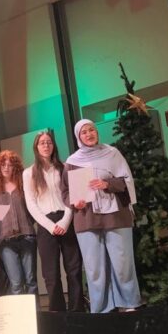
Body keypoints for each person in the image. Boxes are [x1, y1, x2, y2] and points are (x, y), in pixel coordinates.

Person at [63, 119, 142, 314]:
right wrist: (74, 202)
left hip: (116, 216)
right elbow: (65, 192)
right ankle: (102, 310)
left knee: (123, 263)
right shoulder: (72, 162)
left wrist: (108, 184)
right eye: (84, 132)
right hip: (87, 218)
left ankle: (129, 303)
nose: (89, 134)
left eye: (92, 130)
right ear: (78, 137)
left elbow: (127, 181)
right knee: (94, 268)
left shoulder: (112, 153)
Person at [23, 130, 84, 312]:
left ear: (53, 145)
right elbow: (31, 204)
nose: (46, 145)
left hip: (66, 219)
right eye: (42, 143)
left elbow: (71, 196)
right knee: (51, 273)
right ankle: (57, 312)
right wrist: (50, 226)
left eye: (49, 142)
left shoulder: (64, 168)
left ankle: (77, 310)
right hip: (45, 224)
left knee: (74, 269)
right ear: (36, 147)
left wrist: (65, 221)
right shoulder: (29, 173)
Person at [0, 149, 38, 296]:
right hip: (6, 240)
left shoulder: (24, 186)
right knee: (16, 283)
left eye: (9, 165)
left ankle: (35, 311)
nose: (6, 168)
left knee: (31, 280)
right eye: (3, 165)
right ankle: (19, 312)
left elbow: (33, 208)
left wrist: (27, 222)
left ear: (15, 167)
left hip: (27, 236)